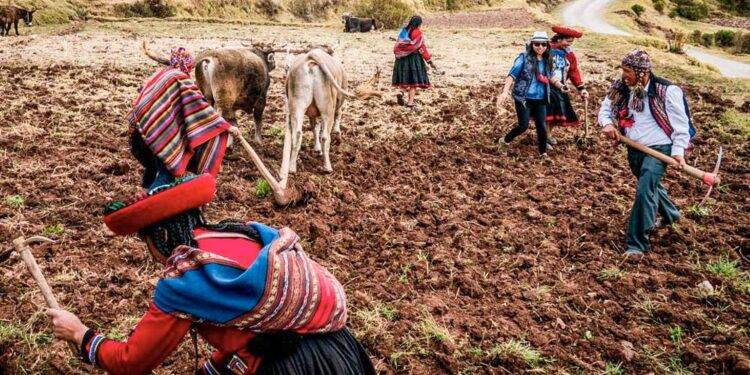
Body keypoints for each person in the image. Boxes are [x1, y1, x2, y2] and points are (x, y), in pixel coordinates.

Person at [46, 174, 376, 375]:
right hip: (343, 352)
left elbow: (132, 363)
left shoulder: (185, 279)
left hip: (290, 368)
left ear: (159, 238)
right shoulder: (245, 236)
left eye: (147, 242)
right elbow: (250, 332)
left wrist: (80, 334)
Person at [599, 50, 695, 256]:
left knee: (644, 191)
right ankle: (671, 214)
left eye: (627, 71)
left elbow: (681, 125)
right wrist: (607, 124)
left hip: (660, 149)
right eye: (622, 70)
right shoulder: (622, 87)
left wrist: (678, 151)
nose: (623, 75)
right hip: (634, 147)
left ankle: (637, 245)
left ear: (642, 73)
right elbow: (605, 108)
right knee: (650, 185)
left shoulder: (667, 91)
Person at [129, 45, 231, 190]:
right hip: (158, 130)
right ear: (188, 64)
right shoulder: (181, 79)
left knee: (152, 165)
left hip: (142, 126)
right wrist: (225, 125)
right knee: (167, 170)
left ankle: (143, 193)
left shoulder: (162, 74)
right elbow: (201, 106)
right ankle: (152, 200)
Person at [496, 31, 553, 157]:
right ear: (532, 44)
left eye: (543, 44)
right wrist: (505, 92)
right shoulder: (524, 57)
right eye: (537, 44)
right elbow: (512, 75)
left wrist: (561, 85)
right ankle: (504, 141)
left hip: (541, 98)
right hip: (523, 97)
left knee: (542, 126)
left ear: (547, 45)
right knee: (523, 125)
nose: (540, 47)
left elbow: (551, 77)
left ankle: (543, 153)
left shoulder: (548, 59)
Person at [547, 26, 589, 146]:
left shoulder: (569, 55)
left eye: (571, 42)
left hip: (561, 88)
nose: (569, 45)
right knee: (546, 113)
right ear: (559, 39)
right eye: (567, 41)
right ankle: (543, 136)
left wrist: (581, 88)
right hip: (545, 86)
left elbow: (573, 72)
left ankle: (548, 134)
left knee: (556, 113)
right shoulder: (546, 50)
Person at [392, 15, 440, 108]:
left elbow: (399, 43)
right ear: (419, 24)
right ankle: (410, 103)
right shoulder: (418, 33)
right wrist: (429, 61)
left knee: (404, 78)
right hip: (414, 59)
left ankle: (401, 92)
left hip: (401, 59)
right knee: (413, 83)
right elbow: (422, 48)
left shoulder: (404, 31)